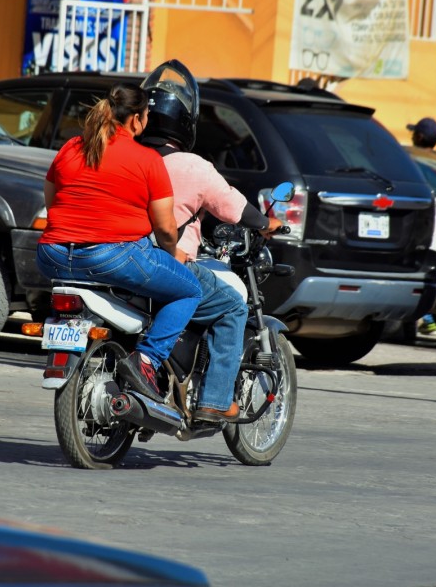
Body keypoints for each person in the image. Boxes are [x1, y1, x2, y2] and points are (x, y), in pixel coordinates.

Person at [35, 82, 203, 403]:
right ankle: (146, 361)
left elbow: (52, 200)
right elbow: (165, 227)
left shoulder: (71, 147)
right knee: (189, 289)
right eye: (146, 116)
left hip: (52, 255)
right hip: (109, 256)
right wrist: (171, 256)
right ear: (137, 119)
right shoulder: (147, 158)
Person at [141, 60, 282, 423]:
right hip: (168, 263)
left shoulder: (127, 156)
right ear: (187, 122)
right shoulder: (193, 166)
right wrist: (267, 223)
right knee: (232, 306)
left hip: (117, 257)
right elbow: (235, 208)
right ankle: (215, 401)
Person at [407, 116, 436, 337]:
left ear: (418, 136)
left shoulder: (410, 160)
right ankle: (427, 319)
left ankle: (424, 318)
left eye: (413, 133)